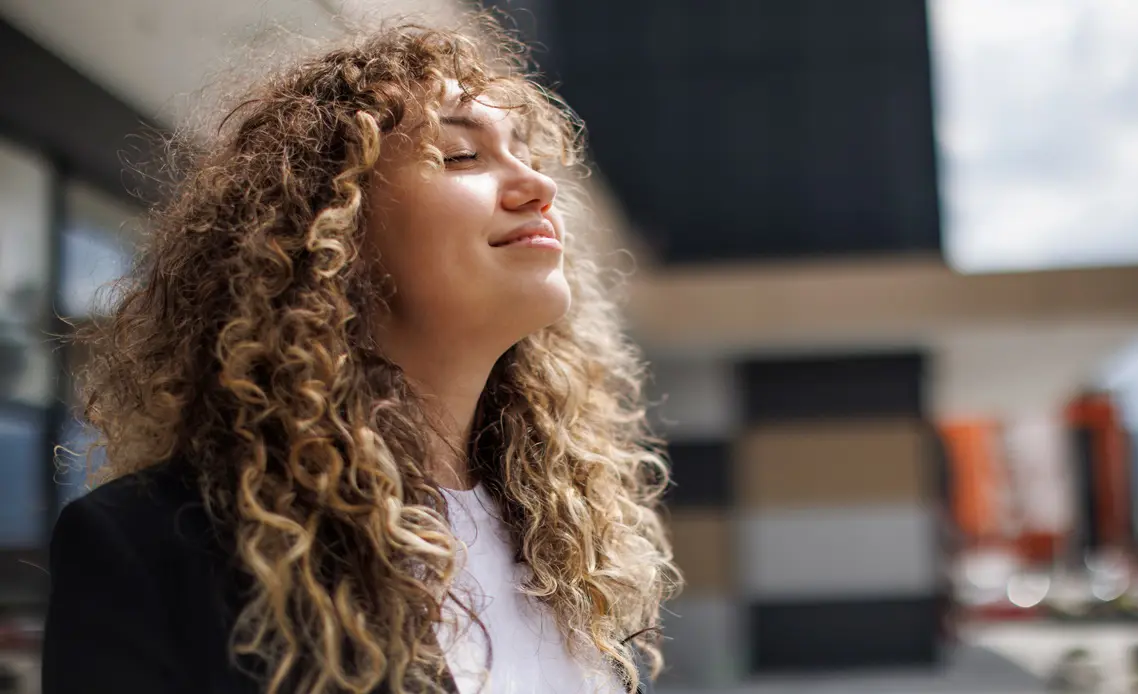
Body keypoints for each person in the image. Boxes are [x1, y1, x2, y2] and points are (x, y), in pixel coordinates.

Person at [41, 14, 680, 694]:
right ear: (334, 233)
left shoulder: (565, 545)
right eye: (461, 155)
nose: (537, 186)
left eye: (527, 153)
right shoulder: (157, 547)